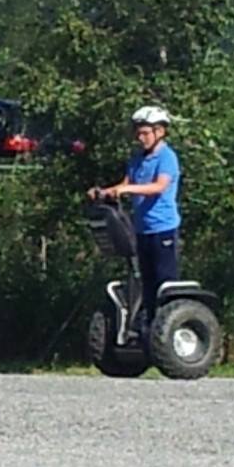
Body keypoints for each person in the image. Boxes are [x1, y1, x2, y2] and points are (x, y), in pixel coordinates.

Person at [89, 105, 181, 322]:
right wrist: (103, 192)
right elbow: (125, 184)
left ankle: (168, 326)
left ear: (160, 132)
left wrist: (127, 189)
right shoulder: (137, 159)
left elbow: (159, 186)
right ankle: (148, 326)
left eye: (145, 133)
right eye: (138, 133)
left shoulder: (167, 157)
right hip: (141, 230)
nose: (141, 138)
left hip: (163, 229)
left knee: (164, 284)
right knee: (146, 283)